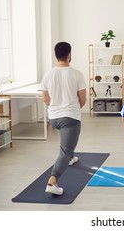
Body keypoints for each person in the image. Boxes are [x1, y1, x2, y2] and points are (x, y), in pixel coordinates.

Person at [41, 41, 87, 195]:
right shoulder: (77, 74)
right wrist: (72, 110)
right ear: (69, 55)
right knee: (65, 150)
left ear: (56, 55)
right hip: (69, 118)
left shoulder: (48, 74)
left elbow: (46, 99)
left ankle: (72, 157)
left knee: (68, 144)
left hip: (53, 118)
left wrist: (56, 109)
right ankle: (52, 181)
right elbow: (83, 99)